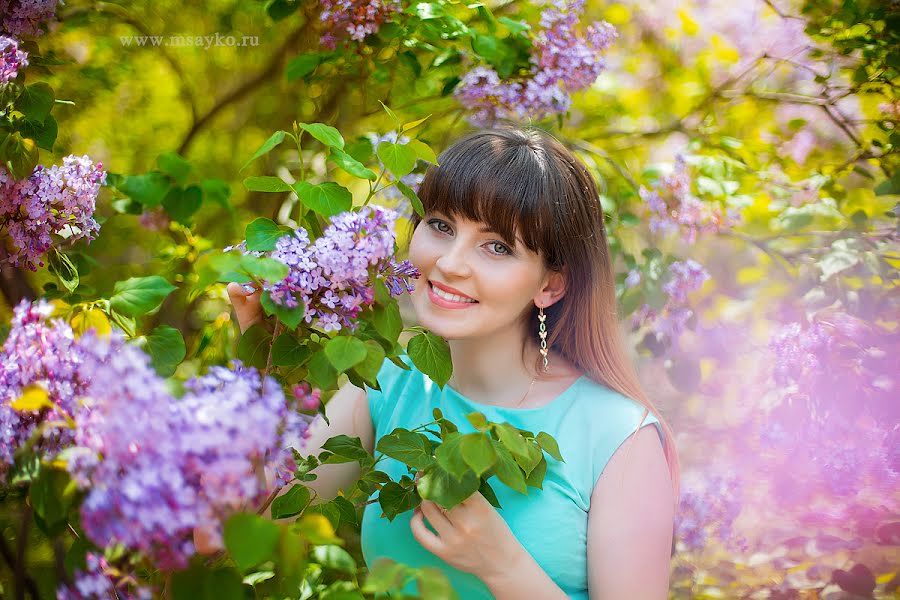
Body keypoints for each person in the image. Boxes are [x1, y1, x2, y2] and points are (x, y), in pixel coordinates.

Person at [226, 125, 679, 599]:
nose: (450, 263)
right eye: (441, 226)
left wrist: (503, 567)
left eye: (498, 247)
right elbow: (245, 527)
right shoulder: (393, 382)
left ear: (550, 285)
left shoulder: (618, 435)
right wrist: (267, 351)